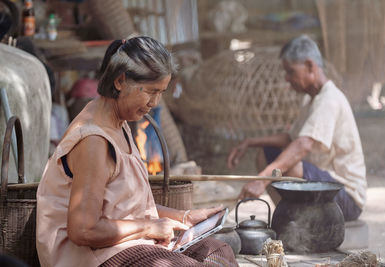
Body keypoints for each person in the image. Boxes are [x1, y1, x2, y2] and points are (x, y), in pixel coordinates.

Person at [36, 36, 238, 267]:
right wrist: (149, 227)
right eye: (151, 91)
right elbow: (83, 230)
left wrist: (185, 217)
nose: (155, 102)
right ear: (120, 81)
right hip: (93, 258)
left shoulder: (119, 123)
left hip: (126, 245)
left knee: (217, 251)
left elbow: (128, 207)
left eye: (161, 92)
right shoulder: (93, 140)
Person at [227, 35, 366, 222]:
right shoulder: (311, 99)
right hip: (327, 187)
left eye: (291, 72)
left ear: (310, 66)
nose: (287, 79)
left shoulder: (329, 100)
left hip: (346, 199)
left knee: (290, 165)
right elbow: (291, 139)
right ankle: (289, 219)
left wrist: (262, 179)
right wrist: (250, 142)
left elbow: (302, 145)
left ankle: (294, 222)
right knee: (265, 154)